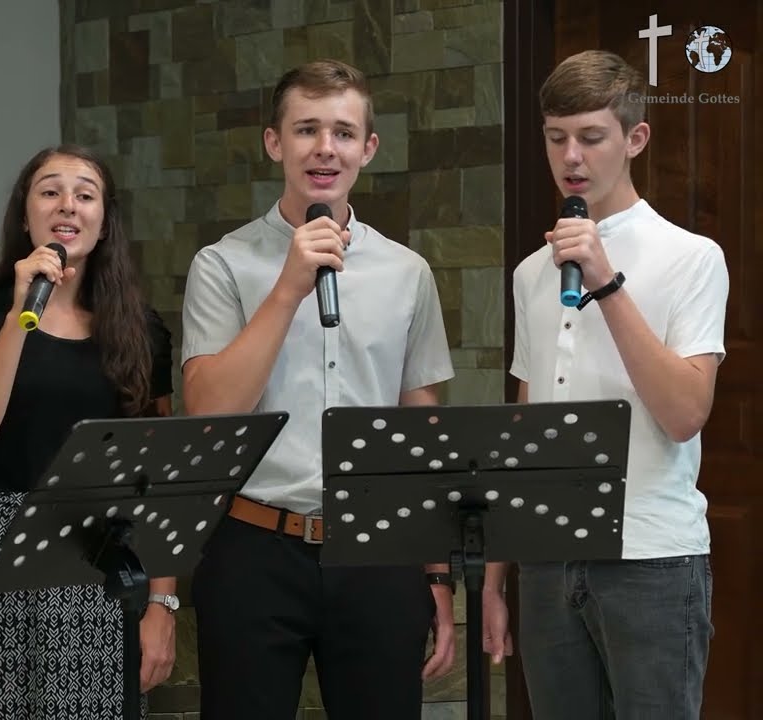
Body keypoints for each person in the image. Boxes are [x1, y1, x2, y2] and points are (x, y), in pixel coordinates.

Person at [179, 59, 457, 718]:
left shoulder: (407, 272)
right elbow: (208, 407)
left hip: (377, 550)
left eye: (342, 131)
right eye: (305, 129)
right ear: (275, 143)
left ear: (368, 148)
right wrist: (288, 287)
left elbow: (418, 430)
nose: (324, 148)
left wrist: (436, 572)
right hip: (254, 545)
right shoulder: (223, 264)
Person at [483, 50, 727, 718]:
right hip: (548, 561)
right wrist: (499, 573)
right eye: (556, 138)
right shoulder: (534, 271)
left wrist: (606, 283)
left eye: (591, 137)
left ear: (635, 138)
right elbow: (526, 431)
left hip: (650, 559)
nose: (572, 157)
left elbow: (684, 414)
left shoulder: (692, 259)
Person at [0, 143, 177, 719]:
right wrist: (24, 314)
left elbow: (160, 477)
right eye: (49, 191)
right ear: (26, 215)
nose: (67, 205)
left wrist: (163, 601)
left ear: (104, 219)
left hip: (102, 555)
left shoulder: (141, 330)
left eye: (85, 194)